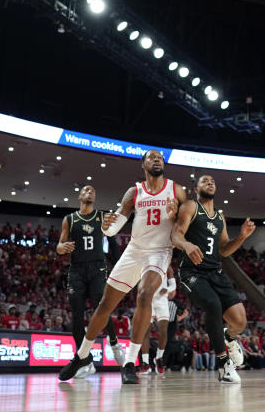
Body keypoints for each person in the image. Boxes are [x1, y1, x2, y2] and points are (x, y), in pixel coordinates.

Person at [58, 150, 181, 384]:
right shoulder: (135, 191)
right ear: (142, 164)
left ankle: (130, 362)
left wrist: (176, 218)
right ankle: (81, 356)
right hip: (135, 250)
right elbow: (115, 226)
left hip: (159, 252)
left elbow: (187, 221)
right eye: (152, 157)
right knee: (105, 304)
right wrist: (107, 227)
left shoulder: (175, 189)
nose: (157, 159)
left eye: (160, 157)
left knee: (145, 295)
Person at [172, 174, 255, 383]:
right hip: (191, 272)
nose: (210, 182)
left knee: (240, 321)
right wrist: (187, 245)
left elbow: (224, 250)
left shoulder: (219, 217)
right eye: (205, 180)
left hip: (215, 272)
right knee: (213, 304)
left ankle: (229, 337)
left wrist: (242, 236)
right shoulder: (191, 206)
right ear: (196, 187)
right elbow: (176, 234)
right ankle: (223, 364)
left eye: (212, 181)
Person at [55, 184, 125, 376]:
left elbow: (113, 244)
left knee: (102, 308)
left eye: (93, 191)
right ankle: (84, 361)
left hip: (97, 268)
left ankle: (114, 343)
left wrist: (119, 267)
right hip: (76, 270)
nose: (90, 192)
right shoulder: (69, 219)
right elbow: (59, 246)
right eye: (86, 190)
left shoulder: (102, 217)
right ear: (79, 196)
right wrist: (62, 248)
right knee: (77, 318)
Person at [138, 265, 177, 375]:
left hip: (162, 300)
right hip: (148, 300)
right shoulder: (146, 264)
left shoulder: (167, 267)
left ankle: (159, 358)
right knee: (145, 332)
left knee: (164, 331)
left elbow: (173, 285)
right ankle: (145, 363)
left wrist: (167, 289)